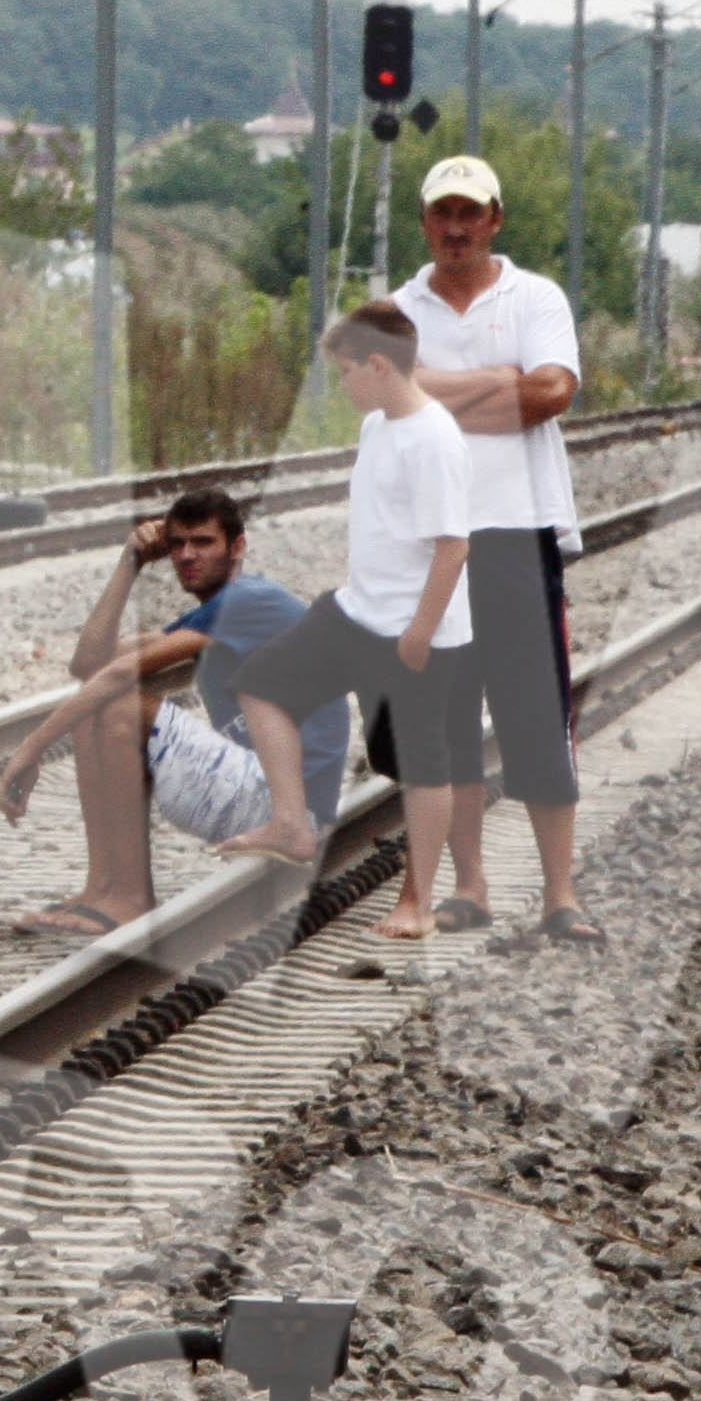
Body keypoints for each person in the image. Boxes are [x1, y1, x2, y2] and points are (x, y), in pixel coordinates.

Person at [390, 157, 602, 946]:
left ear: (495, 219)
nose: (455, 227)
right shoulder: (398, 309)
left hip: (519, 530)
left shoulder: (536, 297)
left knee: (536, 715)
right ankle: (469, 887)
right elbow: (383, 399)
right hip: (433, 539)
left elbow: (550, 394)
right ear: (424, 222)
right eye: (442, 212)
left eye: (469, 213)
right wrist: (497, 384)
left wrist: (431, 390)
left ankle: (559, 893)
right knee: (446, 719)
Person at [216, 304, 473, 940]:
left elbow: (453, 547)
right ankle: (290, 824)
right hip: (356, 611)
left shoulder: (435, 441)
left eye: (347, 372)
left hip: (415, 632)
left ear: (379, 364)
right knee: (259, 683)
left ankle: (417, 901)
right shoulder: (378, 426)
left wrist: (417, 632)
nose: (344, 385)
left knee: (420, 765)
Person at [0, 489, 348, 937]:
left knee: (117, 705)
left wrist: (30, 749)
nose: (186, 555)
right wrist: (130, 563)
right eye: (176, 544)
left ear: (238, 547)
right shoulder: (211, 615)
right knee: (93, 708)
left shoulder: (251, 600)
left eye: (202, 542)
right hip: (255, 792)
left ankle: (131, 900)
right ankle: (101, 889)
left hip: (288, 809)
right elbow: (89, 663)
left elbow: (119, 676)